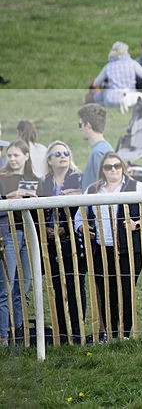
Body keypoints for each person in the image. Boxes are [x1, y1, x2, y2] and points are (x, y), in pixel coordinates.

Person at [74, 151, 142, 340]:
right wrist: (82, 227)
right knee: (105, 290)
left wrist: (137, 224)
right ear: (102, 170)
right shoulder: (93, 190)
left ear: (123, 168)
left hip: (128, 250)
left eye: (117, 166)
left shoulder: (137, 187)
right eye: (108, 167)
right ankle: (111, 333)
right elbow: (79, 216)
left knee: (126, 289)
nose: (113, 170)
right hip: (101, 249)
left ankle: (125, 334)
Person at [40, 141, 86, 344]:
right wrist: (44, 229)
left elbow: (85, 213)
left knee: (76, 284)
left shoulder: (80, 179)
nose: (62, 156)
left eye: (66, 152)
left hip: (73, 241)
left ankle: (77, 331)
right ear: (49, 160)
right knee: (57, 286)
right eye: (57, 153)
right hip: (49, 240)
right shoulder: (43, 182)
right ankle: (62, 332)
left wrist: (65, 228)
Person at [0, 140, 40, 345]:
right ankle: (3, 336)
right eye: (10, 155)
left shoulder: (34, 179)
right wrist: (8, 198)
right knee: (6, 287)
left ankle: (20, 333)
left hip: (29, 234)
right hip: (8, 233)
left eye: (16, 155)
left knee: (23, 288)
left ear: (26, 156)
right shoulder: (2, 178)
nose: (13, 159)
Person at [91, 41, 142, 107]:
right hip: (129, 98)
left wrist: (104, 85)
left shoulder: (108, 66)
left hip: (111, 100)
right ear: (125, 52)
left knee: (102, 94)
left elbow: (96, 83)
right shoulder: (132, 63)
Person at [77, 104, 114, 192]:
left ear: (88, 125)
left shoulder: (98, 153)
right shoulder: (102, 149)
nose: (80, 129)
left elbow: (104, 188)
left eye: (80, 125)